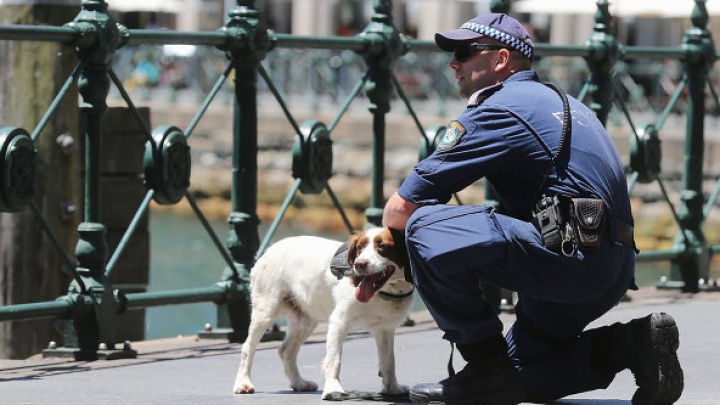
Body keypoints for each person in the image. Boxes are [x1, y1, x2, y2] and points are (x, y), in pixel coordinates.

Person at [383, 13, 684, 405]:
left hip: (570, 260)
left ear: (501, 59)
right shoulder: (566, 102)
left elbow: (402, 209)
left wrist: (373, 250)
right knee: (521, 377)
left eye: (464, 52)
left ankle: (485, 371)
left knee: (424, 228)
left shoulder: (498, 108)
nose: (453, 63)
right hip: (612, 264)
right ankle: (632, 343)